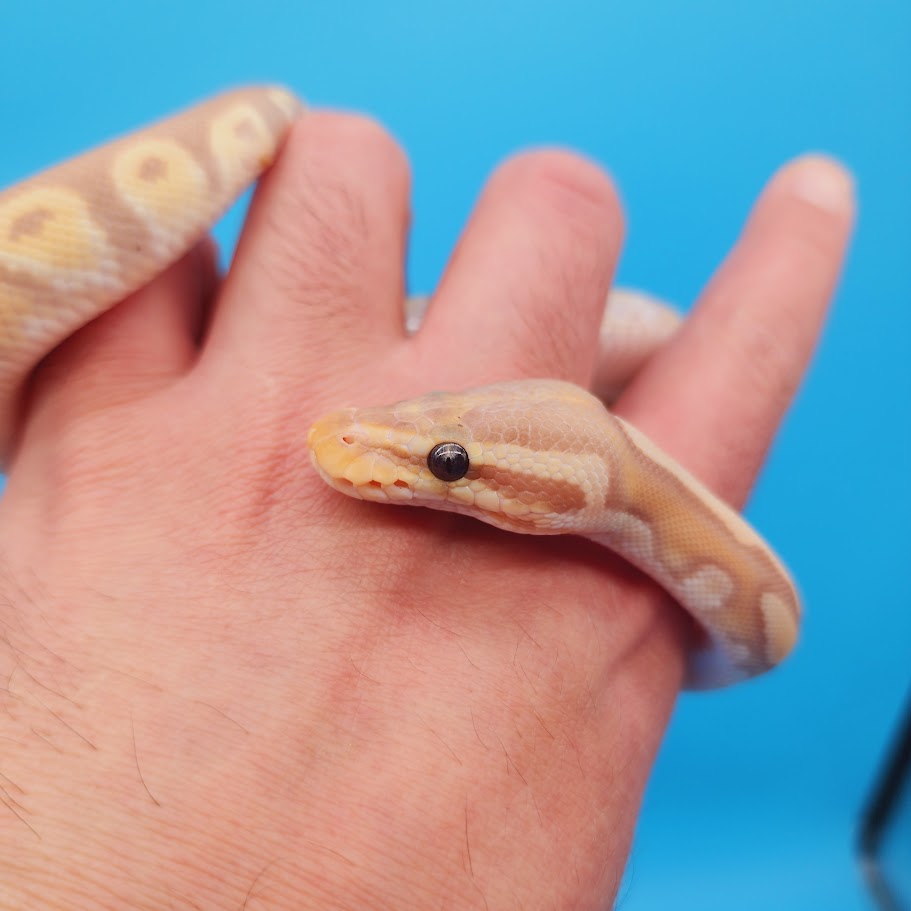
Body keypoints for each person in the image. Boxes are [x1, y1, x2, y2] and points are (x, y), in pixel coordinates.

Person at [0, 111, 853, 908]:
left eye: (450, 466)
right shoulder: (571, 462)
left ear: (577, 506)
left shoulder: (642, 522)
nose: (351, 441)